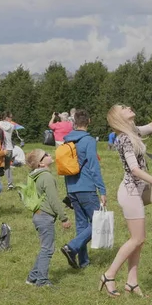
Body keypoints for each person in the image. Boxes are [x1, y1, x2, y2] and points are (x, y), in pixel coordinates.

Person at [100, 105, 152, 297]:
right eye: (123, 108)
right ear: (118, 117)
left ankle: (132, 282)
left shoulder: (132, 132)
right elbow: (134, 169)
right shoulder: (125, 138)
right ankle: (108, 275)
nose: (128, 107)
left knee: (139, 241)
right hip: (129, 192)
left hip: (134, 191)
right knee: (137, 239)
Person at [60, 110, 107, 269]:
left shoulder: (67, 140)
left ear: (74, 123)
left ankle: (83, 262)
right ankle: (71, 247)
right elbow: (94, 167)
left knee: (81, 225)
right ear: (89, 121)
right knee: (98, 223)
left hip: (72, 187)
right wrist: (102, 190)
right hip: (86, 188)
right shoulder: (89, 141)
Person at [25, 149, 71, 287]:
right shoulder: (46, 177)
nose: (49, 155)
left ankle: (33, 277)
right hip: (45, 217)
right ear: (40, 163)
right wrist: (64, 218)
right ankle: (42, 281)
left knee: (45, 247)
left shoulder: (36, 176)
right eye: (45, 155)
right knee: (48, 249)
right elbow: (53, 200)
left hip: (39, 215)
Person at [0, 112, 16, 190]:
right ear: (7, 118)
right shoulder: (12, 126)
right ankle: (10, 184)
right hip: (9, 148)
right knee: (7, 167)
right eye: (11, 117)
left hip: (1, 148)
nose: (11, 119)